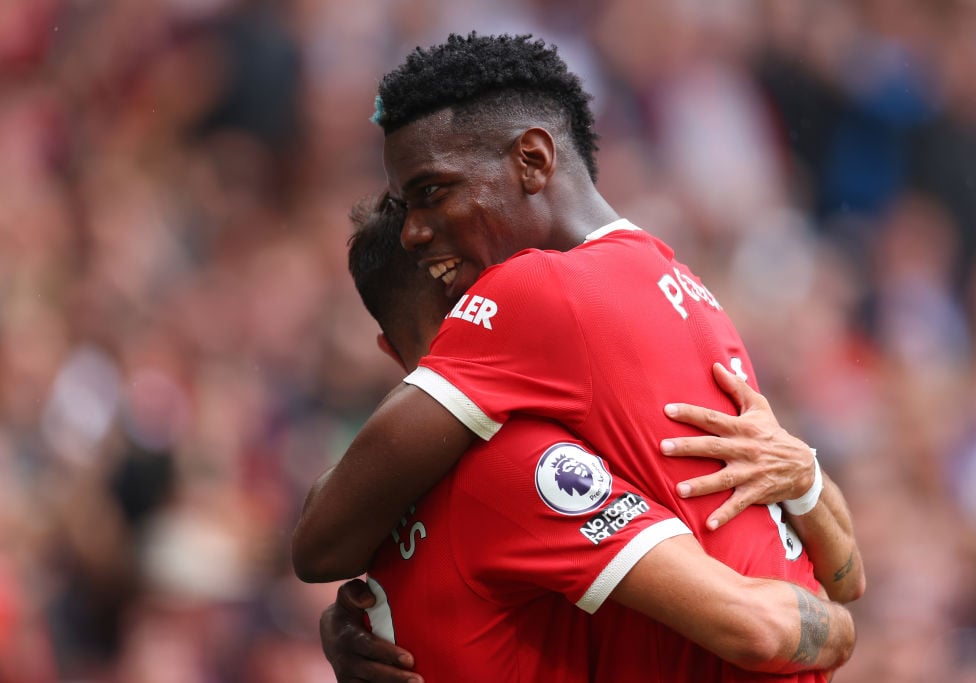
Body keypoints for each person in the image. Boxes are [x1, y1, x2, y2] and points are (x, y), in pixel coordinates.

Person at [293, 33, 865, 680]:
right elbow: (848, 574)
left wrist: (369, 616)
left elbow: (320, 540)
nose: (416, 228)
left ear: (533, 160)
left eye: (431, 192)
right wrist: (814, 495)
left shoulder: (536, 290)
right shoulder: (678, 281)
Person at [325, 191, 855, 682]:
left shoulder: (371, 491)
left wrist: (802, 472)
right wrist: (843, 626)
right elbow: (760, 628)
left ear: (388, 351)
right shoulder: (516, 464)